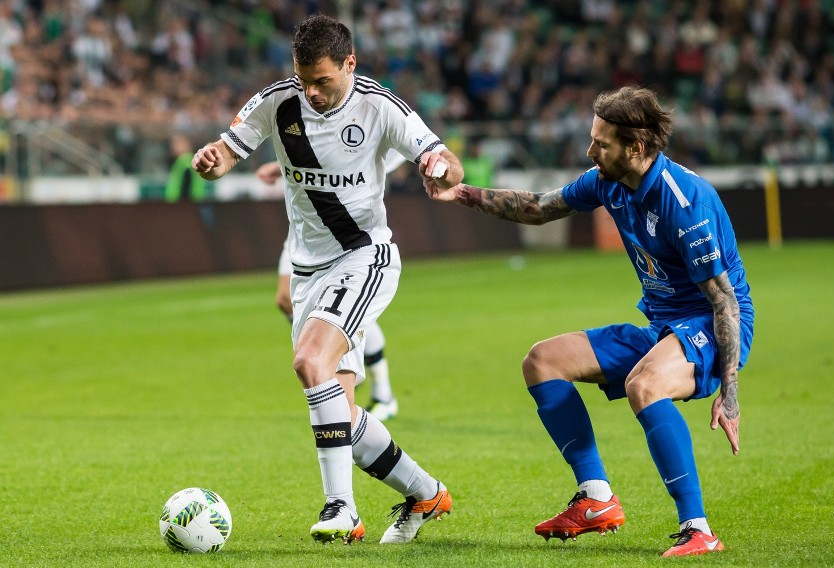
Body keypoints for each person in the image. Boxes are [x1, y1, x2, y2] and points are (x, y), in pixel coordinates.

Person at [425, 86, 753, 558]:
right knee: (542, 361)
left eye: (601, 143)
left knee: (645, 385)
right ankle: (597, 498)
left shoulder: (685, 205)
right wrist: (462, 193)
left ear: (635, 148)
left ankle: (697, 528)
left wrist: (731, 394)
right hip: (664, 324)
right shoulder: (606, 181)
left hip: (714, 324)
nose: (590, 151)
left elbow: (724, 302)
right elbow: (539, 207)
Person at [191, 14, 463, 545]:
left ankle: (342, 508)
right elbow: (227, 150)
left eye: (324, 81)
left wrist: (438, 167)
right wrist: (211, 161)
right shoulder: (277, 101)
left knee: (308, 362)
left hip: (365, 256)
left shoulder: (381, 107)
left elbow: (443, 158)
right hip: (308, 269)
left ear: (349, 64)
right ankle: (426, 492)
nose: (312, 92)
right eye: (304, 79)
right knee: (339, 412)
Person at [256, 160, 400, 422]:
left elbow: (385, 150)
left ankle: (382, 393)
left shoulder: (372, 121)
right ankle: (335, 361)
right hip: (304, 226)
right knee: (285, 300)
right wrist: (281, 166)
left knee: (342, 313)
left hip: (343, 228)